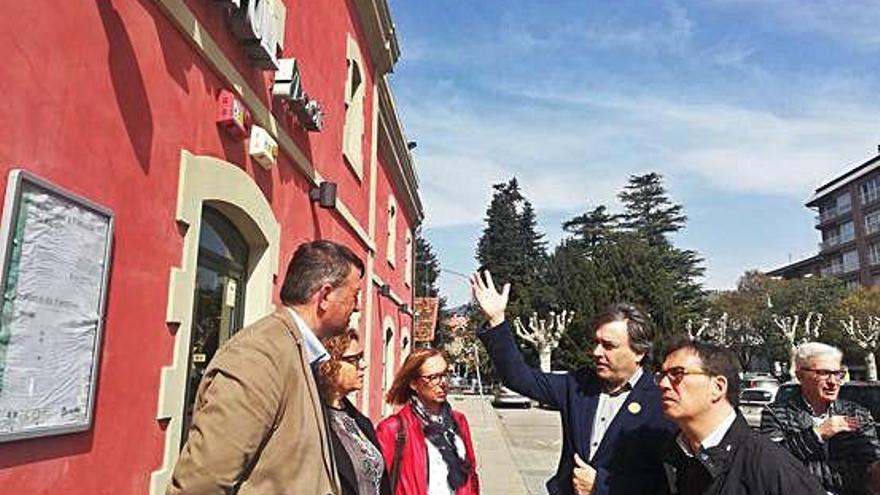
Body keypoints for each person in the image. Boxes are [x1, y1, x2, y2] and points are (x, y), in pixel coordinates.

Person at [168, 240, 364, 495]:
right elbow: (200, 486)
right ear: (325, 296)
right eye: (354, 295)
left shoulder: (297, 351)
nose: (357, 306)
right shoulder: (259, 356)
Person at [470, 270, 674, 495]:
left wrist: (602, 486)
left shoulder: (662, 401)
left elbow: (664, 483)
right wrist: (497, 320)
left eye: (608, 345)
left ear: (639, 352)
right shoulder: (578, 385)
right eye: (595, 343)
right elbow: (519, 377)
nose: (596, 352)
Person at [658, 339, 826, 495]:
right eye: (661, 376)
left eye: (677, 374)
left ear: (718, 387)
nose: (663, 384)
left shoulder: (769, 465)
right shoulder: (668, 458)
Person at [761, 342, 880, 495]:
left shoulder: (857, 414)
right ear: (800, 375)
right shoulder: (776, 414)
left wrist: (801, 469)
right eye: (824, 373)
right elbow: (770, 464)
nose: (833, 382)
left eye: (838, 374)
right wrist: (818, 434)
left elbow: (871, 469)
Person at [375, 349, 480, 495]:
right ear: (413, 384)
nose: (442, 382)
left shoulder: (458, 421)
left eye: (444, 375)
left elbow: (471, 475)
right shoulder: (392, 428)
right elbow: (377, 483)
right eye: (433, 377)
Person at [317, 328, 391, 495]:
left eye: (361, 357)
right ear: (329, 365)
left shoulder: (360, 421)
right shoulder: (313, 419)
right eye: (354, 359)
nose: (363, 365)